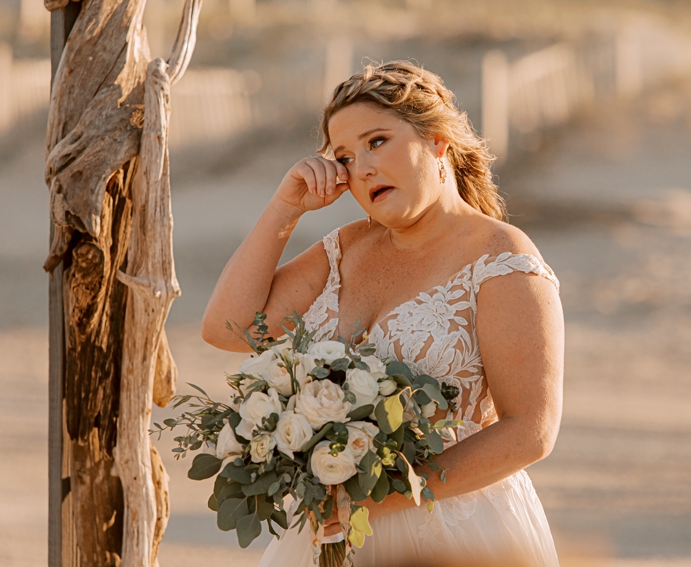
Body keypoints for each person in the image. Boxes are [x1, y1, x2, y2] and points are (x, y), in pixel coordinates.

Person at [201, 61, 564, 567]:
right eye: (344, 157)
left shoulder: (502, 257)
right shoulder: (345, 247)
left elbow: (532, 430)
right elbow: (225, 326)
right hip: (330, 530)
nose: (362, 167)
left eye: (376, 142)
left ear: (438, 141)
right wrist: (286, 207)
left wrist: (376, 499)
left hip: (456, 533)